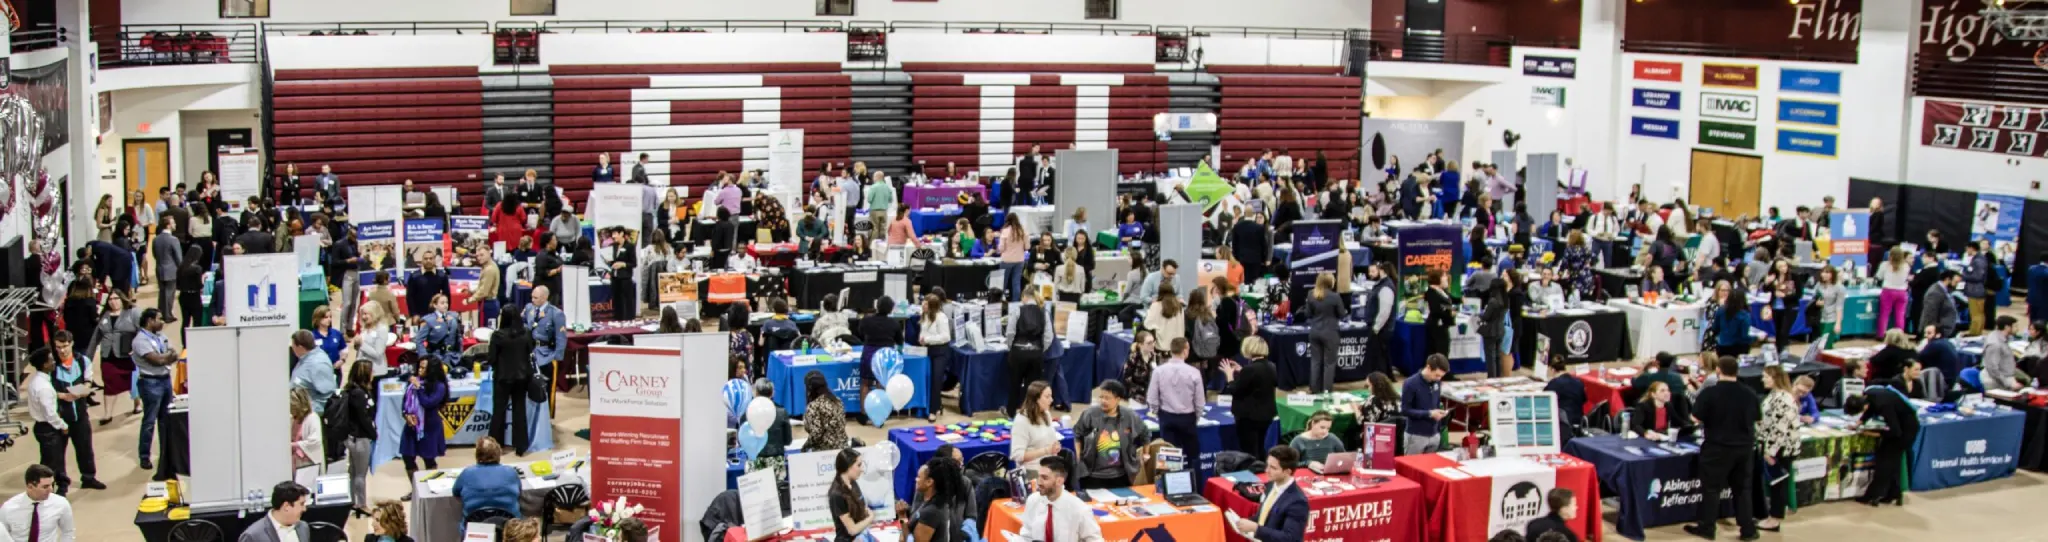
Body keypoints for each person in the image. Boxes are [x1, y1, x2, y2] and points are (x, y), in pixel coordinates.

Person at [1685, 355, 1760, 540]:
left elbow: (1694, 418)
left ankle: (1707, 527)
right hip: (1744, 448)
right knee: (1742, 490)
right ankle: (1747, 529)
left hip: (1717, 448)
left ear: (1718, 370)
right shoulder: (1750, 393)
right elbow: (1757, 419)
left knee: (1711, 489)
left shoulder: (1710, 393)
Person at [1845, 375, 1920, 507]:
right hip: (1900, 426)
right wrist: (1859, 423)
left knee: (1884, 464)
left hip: (1905, 432)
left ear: (1863, 406)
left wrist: (1870, 433)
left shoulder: (1884, 405)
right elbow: (1870, 409)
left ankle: (1872, 495)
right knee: (1893, 463)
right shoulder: (1869, 394)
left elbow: (1894, 431)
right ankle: (1893, 494)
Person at [1074, 381, 1149, 489]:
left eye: (1107, 398)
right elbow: (1077, 433)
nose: (1103, 401)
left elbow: (1145, 433)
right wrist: (1078, 456)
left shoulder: (1129, 416)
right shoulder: (1090, 414)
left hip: (1121, 475)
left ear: (1118, 399)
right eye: (1101, 397)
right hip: (1092, 475)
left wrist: (1146, 454)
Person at [1753, 365, 1800, 532]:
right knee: (1774, 484)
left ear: (1776, 378)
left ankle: (1775, 519)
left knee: (1778, 484)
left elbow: (1779, 427)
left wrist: (1770, 451)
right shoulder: (1774, 395)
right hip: (1774, 446)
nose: (1762, 379)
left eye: (1766, 376)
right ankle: (1771, 515)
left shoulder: (1783, 399)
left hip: (1781, 450)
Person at [131, 308, 176, 471]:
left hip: (165, 381)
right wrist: (166, 358)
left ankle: (166, 454)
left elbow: (174, 354)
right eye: (159, 319)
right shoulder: (140, 340)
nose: (162, 322)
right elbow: (156, 360)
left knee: (166, 420)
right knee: (149, 421)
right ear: (150, 321)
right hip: (150, 384)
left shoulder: (161, 337)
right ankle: (144, 456)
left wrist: (166, 358)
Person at [488, 304, 536, 455]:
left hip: (502, 378)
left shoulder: (498, 335)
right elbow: (531, 350)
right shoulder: (526, 333)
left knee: (498, 412)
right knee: (519, 410)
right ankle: (521, 446)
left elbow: (491, 358)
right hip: (522, 377)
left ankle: (495, 446)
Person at [1232, 446, 1307, 542]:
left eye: (1273, 468)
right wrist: (1246, 523)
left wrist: (1256, 528)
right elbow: (1263, 516)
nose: (1266, 470)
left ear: (1287, 472)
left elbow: (1290, 538)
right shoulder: (1271, 485)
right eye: (1267, 465)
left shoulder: (1298, 501)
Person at [1149, 338, 1205, 464]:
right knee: (1193, 457)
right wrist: (1195, 417)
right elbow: (1200, 401)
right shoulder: (1194, 372)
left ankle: (1170, 483)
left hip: (1167, 417)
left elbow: (1152, 398)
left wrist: (1159, 413)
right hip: (1188, 418)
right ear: (1185, 351)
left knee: (1169, 459)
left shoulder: (1159, 371)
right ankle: (1194, 482)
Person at [1018, 456, 1101, 542]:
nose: (1039, 482)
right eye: (1039, 476)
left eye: (1045, 478)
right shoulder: (1033, 500)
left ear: (1059, 481)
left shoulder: (1079, 509)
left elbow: (1095, 540)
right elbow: (1026, 533)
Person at [400, 359, 450, 500]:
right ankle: (416, 490)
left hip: (429, 427)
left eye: (423, 368)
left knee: (429, 459)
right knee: (407, 456)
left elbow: (428, 402)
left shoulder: (439, 386)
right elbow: (405, 402)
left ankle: (431, 490)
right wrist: (406, 415)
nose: (419, 371)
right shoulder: (413, 383)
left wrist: (419, 388)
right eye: (419, 367)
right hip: (412, 427)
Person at [1222, 336, 1278, 457]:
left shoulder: (1250, 369)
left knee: (1249, 451)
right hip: (1266, 415)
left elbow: (1233, 389)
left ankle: (1253, 473)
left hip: (1249, 417)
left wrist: (1229, 375)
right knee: (1260, 446)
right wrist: (1242, 370)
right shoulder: (1271, 366)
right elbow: (1259, 382)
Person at [338, 360, 377, 515]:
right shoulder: (359, 394)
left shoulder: (354, 390)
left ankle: (353, 500)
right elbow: (363, 418)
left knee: (354, 471)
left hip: (354, 437)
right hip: (359, 438)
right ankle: (360, 504)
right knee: (360, 473)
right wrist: (374, 433)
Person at [1295, 273, 1345, 393]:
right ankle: (1326, 390)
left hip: (1315, 332)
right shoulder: (1335, 297)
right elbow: (1342, 314)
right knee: (1329, 363)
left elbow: (1307, 314)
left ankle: (1314, 389)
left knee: (1315, 361)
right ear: (1330, 282)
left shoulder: (1311, 295)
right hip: (1330, 333)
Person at [1005, 292, 1053, 416]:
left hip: (1018, 353)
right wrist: (1040, 350)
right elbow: (1048, 336)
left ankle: (1011, 413)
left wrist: (1012, 347)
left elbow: (1010, 332)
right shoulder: (1044, 312)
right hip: (1036, 354)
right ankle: (1030, 414)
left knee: (1014, 383)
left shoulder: (1017, 311)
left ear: (1025, 297)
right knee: (1033, 387)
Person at [453, 436, 524, 518]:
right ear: (498, 453)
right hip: (509, 526)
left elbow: (455, 492)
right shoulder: (511, 472)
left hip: (475, 525)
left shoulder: (467, 473)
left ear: (477, 454)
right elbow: (519, 491)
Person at [859, 296, 904, 412]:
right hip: (885, 356)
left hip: (869, 354)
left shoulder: (866, 320)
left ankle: (864, 413)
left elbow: (860, 333)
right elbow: (900, 341)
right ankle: (880, 412)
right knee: (881, 384)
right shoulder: (894, 323)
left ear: (877, 306)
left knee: (865, 384)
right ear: (891, 309)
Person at [1401, 355, 1450, 454]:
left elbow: (1435, 404)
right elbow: (1405, 410)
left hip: (1434, 434)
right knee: (1412, 467)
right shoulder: (1410, 383)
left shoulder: (1437, 383)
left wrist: (1439, 414)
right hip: (1416, 435)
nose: (1439, 379)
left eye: (1441, 376)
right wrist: (1429, 414)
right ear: (1428, 367)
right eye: (1437, 375)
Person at [235, 481, 308, 542]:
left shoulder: (303, 527)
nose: (304, 509)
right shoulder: (252, 537)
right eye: (301, 504)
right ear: (286, 506)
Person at [1010, 382, 1063, 465]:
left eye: (1051, 396)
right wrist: (1046, 451)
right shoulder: (1021, 420)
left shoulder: (1046, 414)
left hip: (1050, 466)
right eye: (1047, 396)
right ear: (1036, 399)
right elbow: (1017, 455)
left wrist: (1055, 447)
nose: (1052, 400)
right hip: (1031, 470)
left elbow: (1051, 440)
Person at [829, 448, 874, 542]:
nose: (861, 469)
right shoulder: (837, 494)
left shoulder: (853, 483)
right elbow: (852, 530)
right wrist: (870, 518)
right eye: (859, 465)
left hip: (861, 535)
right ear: (848, 466)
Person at [1629, 380, 1694, 441]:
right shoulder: (1643, 406)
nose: (1667, 393)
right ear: (1653, 394)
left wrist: (1691, 427)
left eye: (1668, 390)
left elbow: (1677, 421)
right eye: (1662, 391)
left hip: (1662, 436)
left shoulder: (1668, 405)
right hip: (1648, 439)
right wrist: (1646, 433)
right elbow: (1636, 425)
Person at [803, 371, 850, 451]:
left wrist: (805, 446)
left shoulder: (814, 406)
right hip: (843, 447)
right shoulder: (837, 401)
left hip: (824, 451)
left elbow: (816, 433)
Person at [1543, 355, 1586, 438]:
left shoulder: (1553, 384)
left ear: (1552, 370)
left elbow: (1544, 402)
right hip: (1579, 421)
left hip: (1562, 425)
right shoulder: (1579, 382)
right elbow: (1583, 400)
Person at [1982, 316, 2025, 391]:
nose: (2017, 329)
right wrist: (2008, 383)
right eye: (2015, 326)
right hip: (1995, 382)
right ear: (2007, 327)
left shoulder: (2000, 337)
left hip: (2006, 376)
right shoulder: (1995, 344)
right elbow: (1992, 369)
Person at [1143, 283, 1187, 356]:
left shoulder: (1155, 305)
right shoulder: (1179, 306)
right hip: (1178, 347)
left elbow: (1147, 324)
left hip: (1162, 347)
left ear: (1159, 292)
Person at [1877, 248, 1913, 335]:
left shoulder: (1885, 265)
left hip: (1888, 291)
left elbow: (1879, 276)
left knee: (1884, 314)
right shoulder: (1906, 266)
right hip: (1902, 292)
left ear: (1890, 255)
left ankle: (1881, 334)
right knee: (1900, 314)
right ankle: (1899, 335)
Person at [1122, 330, 1162, 400]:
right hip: (1136, 395)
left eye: (1153, 342)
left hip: (1152, 394)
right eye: (1149, 343)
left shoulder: (1155, 357)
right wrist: (1143, 390)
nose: (1153, 345)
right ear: (1140, 344)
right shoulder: (1133, 358)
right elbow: (1127, 380)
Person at [1922, 270, 1962, 338]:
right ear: (1947, 280)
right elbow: (1930, 315)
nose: (1956, 285)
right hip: (1940, 332)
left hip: (1948, 329)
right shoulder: (1934, 292)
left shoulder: (1945, 290)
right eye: (1956, 282)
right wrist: (1934, 333)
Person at [1713, 288, 1753, 357]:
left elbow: (1715, 328)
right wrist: (1756, 337)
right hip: (1740, 348)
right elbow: (1745, 335)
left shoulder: (1720, 310)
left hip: (1722, 346)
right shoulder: (1744, 315)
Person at [1424, 270, 1455, 358]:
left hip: (1443, 325)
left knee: (1444, 349)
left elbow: (1450, 300)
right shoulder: (1431, 292)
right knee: (1439, 350)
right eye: (1444, 276)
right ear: (1438, 279)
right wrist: (1450, 312)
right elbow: (1436, 309)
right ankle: (1439, 370)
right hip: (1436, 326)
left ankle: (1443, 369)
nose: (1446, 278)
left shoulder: (1442, 291)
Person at [1963, 241, 1992, 336]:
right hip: (1976, 290)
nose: (1966, 251)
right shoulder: (1978, 259)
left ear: (1971, 248)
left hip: (1976, 290)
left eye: (1967, 249)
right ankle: (1976, 332)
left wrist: (1964, 275)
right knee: (1978, 313)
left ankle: (1974, 333)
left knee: (1976, 314)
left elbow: (1977, 277)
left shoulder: (1978, 261)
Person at [998, 222, 1028, 301]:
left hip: (1006, 260)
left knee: (1002, 283)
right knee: (1016, 283)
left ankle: (1000, 301)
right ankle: (1015, 304)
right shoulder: (1023, 231)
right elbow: (1027, 246)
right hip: (1020, 260)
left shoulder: (1005, 231)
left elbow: (1001, 248)